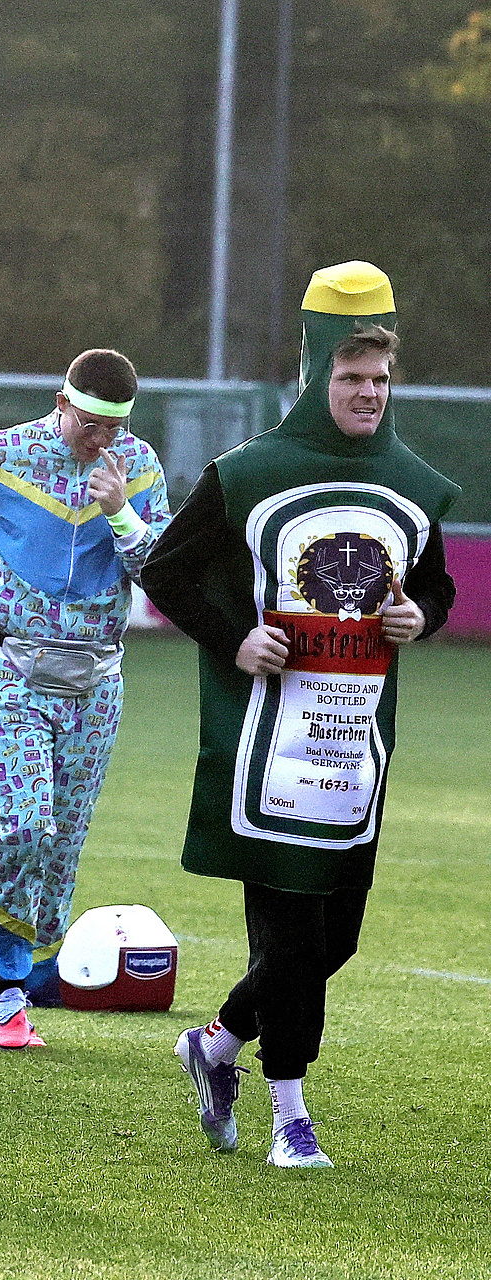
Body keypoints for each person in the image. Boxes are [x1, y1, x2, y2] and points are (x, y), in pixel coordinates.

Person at [141, 262, 457, 1169]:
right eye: (352, 376)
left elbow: (434, 585)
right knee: (288, 937)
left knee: (338, 937)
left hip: (357, 755)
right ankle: (290, 1114)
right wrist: (236, 638)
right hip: (267, 753)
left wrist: (419, 618)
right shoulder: (248, 475)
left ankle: (214, 1045)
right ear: (319, 376)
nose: (368, 393)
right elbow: (164, 569)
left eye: (381, 379)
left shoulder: (413, 485)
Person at [0, 348, 171, 1049]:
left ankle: (22, 969)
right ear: (61, 403)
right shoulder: (1, 454)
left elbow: (160, 573)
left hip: (96, 681)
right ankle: (2, 983)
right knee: (27, 825)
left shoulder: (138, 467)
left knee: (61, 852)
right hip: (9, 667)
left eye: (110, 428)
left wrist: (120, 512)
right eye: (87, 423)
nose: (98, 440)